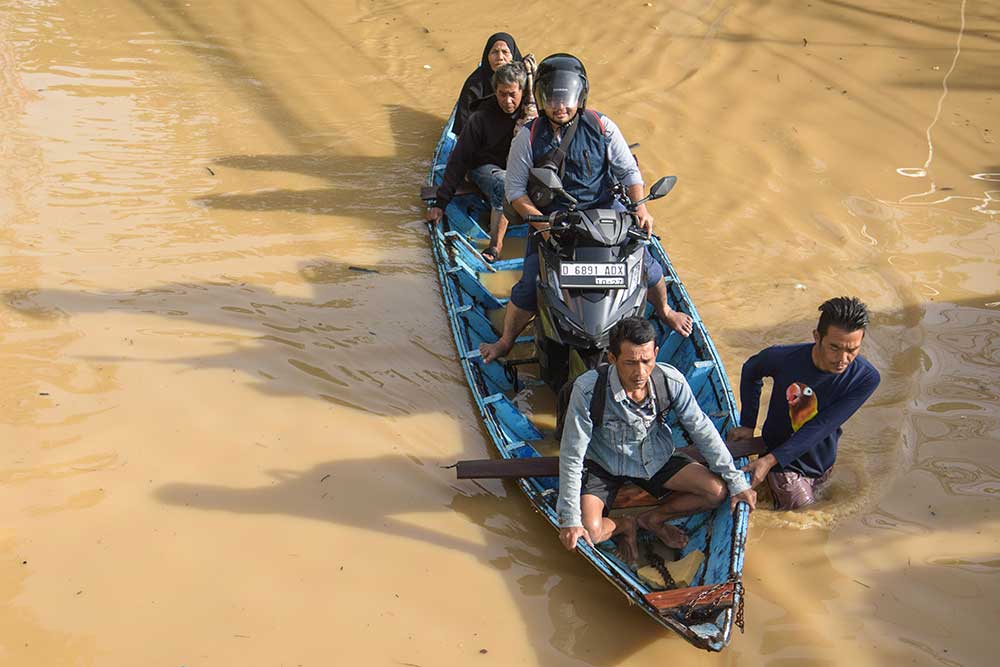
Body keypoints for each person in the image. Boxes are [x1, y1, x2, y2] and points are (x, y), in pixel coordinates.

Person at [479, 53, 692, 364]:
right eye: (552, 99)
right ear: (540, 98)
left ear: (580, 96)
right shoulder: (527, 137)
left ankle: (665, 310)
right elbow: (515, 192)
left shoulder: (602, 126)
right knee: (528, 284)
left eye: (566, 99)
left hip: (607, 216)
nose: (560, 106)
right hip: (553, 222)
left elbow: (629, 173)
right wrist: (541, 224)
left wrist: (640, 209)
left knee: (648, 267)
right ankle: (506, 341)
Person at [557, 317, 756, 562]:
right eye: (630, 363)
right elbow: (572, 454)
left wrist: (736, 480)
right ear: (612, 358)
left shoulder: (670, 381)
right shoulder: (588, 389)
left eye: (646, 361)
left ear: (656, 354)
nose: (640, 372)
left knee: (716, 492)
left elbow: (702, 429)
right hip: (604, 464)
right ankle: (624, 524)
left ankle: (654, 519)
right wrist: (569, 519)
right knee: (589, 532)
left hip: (655, 458)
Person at [730, 296, 881, 510]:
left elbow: (823, 425)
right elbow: (751, 371)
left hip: (822, 463)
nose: (842, 359)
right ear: (817, 337)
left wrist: (769, 460)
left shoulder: (865, 378)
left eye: (852, 350)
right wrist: (748, 424)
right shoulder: (783, 358)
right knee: (804, 516)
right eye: (835, 347)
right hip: (783, 462)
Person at [427, 63, 528, 262]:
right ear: (495, 92)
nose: (507, 101)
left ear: (522, 92)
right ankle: (495, 246)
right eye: (502, 94)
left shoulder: (530, 115)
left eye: (512, 94)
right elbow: (459, 159)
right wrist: (441, 202)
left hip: (518, 167)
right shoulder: (480, 118)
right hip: (485, 168)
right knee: (504, 182)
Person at [453, 32, 522, 137]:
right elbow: (462, 125)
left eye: (505, 52)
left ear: (513, 55)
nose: (500, 57)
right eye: (494, 52)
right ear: (487, 56)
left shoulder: (524, 80)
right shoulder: (474, 84)